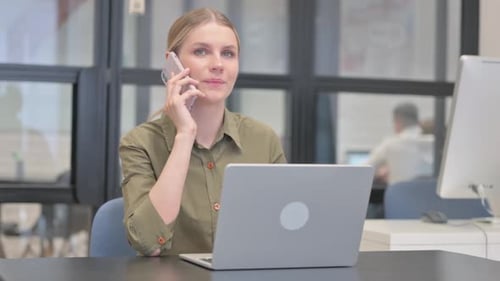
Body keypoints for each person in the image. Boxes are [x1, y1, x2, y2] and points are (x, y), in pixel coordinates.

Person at [119, 8, 286, 256]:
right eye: (201, 51)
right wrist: (185, 135)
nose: (218, 65)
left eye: (228, 54)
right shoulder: (140, 143)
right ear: (172, 63)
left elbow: (283, 231)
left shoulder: (263, 139)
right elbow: (148, 242)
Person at [365, 102, 433, 186]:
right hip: (432, 197)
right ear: (416, 120)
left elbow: (364, 171)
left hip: (401, 197)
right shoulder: (435, 143)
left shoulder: (391, 144)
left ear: (398, 121)